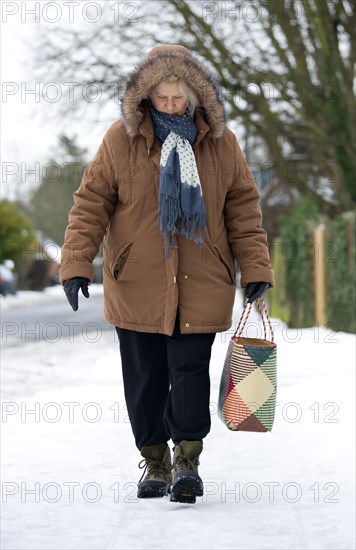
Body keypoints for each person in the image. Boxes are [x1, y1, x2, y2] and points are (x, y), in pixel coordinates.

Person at [60, 44, 275, 504]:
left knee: (190, 372)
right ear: (146, 97)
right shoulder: (120, 141)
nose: (171, 106)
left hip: (201, 281)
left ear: (196, 96)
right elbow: (91, 203)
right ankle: (154, 460)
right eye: (162, 98)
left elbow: (243, 209)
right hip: (136, 282)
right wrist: (76, 263)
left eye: (179, 98)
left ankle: (188, 462)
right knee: (145, 377)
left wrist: (255, 267)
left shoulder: (222, 143)